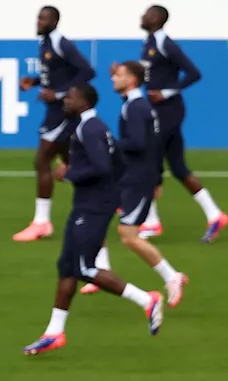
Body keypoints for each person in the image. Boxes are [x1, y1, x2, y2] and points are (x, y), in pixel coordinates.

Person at [24, 84, 164, 356]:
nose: (67, 100)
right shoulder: (95, 126)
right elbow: (118, 163)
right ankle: (54, 333)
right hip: (88, 205)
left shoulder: (89, 129)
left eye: (72, 96)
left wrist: (70, 173)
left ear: (85, 101)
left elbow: (101, 167)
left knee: (85, 269)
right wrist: (115, 195)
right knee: (66, 267)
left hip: (92, 209)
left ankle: (148, 300)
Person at [79, 62, 187, 304]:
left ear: (131, 80)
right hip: (131, 176)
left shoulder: (135, 108)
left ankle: (172, 277)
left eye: (118, 76)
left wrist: (110, 144)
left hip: (137, 180)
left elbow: (138, 144)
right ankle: (99, 271)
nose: (113, 80)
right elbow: (155, 144)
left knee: (128, 235)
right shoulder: (136, 105)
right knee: (96, 213)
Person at [131, 4, 225, 242]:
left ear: (157, 19)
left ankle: (151, 222)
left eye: (147, 14)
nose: (143, 16)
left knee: (147, 160)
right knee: (178, 168)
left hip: (167, 111)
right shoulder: (149, 43)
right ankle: (215, 215)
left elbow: (194, 73)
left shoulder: (165, 43)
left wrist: (167, 92)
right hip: (160, 111)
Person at [13, 6, 96, 242]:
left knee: (42, 160)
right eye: (38, 17)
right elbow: (58, 74)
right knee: (74, 162)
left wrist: (59, 95)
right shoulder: (46, 43)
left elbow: (87, 72)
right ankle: (119, 200)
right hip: (55, 110)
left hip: (62, 113)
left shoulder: (62, 43)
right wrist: (36, 81)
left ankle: (41, 222)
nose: (39, 22)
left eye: (44, 18)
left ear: (55, 21)